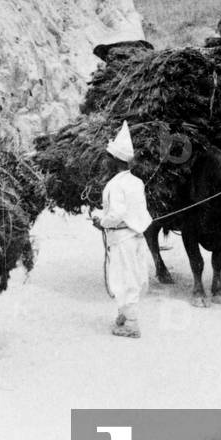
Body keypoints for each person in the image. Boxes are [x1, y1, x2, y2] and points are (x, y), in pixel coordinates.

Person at [92, 122, 153, 339]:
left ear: (115, 162)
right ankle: (124, 314)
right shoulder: (136, 182)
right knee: (134, 276)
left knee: (124, 278)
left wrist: (101, 221)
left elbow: (116, 214)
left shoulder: (115, 185)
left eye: (109, 159)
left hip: (122, 237)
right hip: (136, 235)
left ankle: (132, 324)